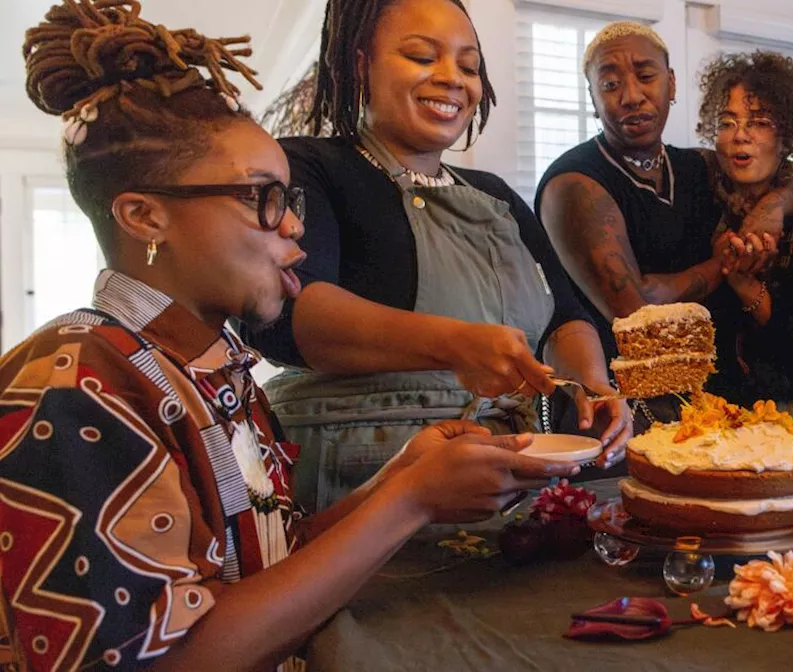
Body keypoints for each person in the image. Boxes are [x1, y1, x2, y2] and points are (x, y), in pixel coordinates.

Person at [4, 2, 578, 668]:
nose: (294, 228)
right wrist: (409, 503)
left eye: (290, 201)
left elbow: (270, 565)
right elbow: (168, 657)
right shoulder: (75, 382)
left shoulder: (215, 373)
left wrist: (398, 477)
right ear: (144, 216)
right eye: (262, 197)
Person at [244, 0, 630, 512]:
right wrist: (453, 344)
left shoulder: (494, 195)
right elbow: (288, 314)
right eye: (423, 57)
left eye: (469, 66)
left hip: (503, 465)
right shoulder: (310, 167)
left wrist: (593, 386)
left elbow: (563, 314)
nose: (453, 79)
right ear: (360, 64)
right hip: (359, 469)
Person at [535, 23, 793, 389]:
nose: (632, 95)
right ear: (593, 99)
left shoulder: (697, 165)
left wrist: (772, 208)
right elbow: (638, 315)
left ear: (671, 84)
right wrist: (723, 264)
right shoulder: (574, 186)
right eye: (610, 84)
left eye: (645, 75)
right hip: (620, 402)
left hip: (712, 393)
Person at [694, 51, 793, 410]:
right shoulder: (700, 209)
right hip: (694, 416)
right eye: (728, 122)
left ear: (787, 137)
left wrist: (744, 285)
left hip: (780, 422)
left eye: (760, 122)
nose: (741, 136)